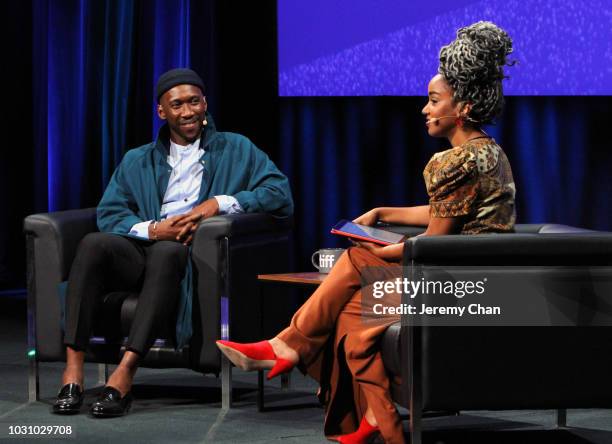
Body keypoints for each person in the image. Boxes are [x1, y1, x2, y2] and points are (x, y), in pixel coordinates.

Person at [216, 22, 516, 443]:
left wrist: (377, 252)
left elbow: (434, 243)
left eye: (433, 101)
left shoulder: (453, 163)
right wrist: (382, 213)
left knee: (356, 261)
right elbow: (448, 213)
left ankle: (289, 346)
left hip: (461, 286)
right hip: (480, 279)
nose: (424, 109)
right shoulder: (487, 150)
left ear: (462, 108)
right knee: (353, 320)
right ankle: (378, 420)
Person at [52, 68, 293, 417]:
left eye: (194, 102)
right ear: (162, 112)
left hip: (188, 255)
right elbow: (110, 212)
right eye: (177, 104)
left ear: (205, 103)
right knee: (93, 243)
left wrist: (219, 203)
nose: (188, 111)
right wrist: (152, 229)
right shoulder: (138, 159)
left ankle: (125, 372)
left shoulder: (236, 148)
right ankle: (72, 369)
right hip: (143, 247)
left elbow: (279, 193)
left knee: (167, 252)